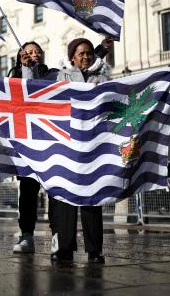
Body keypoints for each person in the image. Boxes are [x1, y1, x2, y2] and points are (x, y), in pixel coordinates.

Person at [50, 38, 111, 264]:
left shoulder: (103, 78)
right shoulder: (62, 76)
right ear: (72, 57)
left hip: (93, 143)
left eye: (88, 54)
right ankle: (65, 247)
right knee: (65, 197)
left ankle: (94, 250)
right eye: (80, 54)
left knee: (92, 197)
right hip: (68, 144)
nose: (85, 57)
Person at [7, 42, 58, 254]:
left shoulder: (54, 74)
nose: (34, 55)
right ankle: (26, 234)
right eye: (29, 52)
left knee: (55, 190)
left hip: (52, 140)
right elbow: (13, 98)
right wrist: (24, 69)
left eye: (37, 52)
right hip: (27, 141)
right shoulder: (14, 75)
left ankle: (58, 234)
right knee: (27, 192)